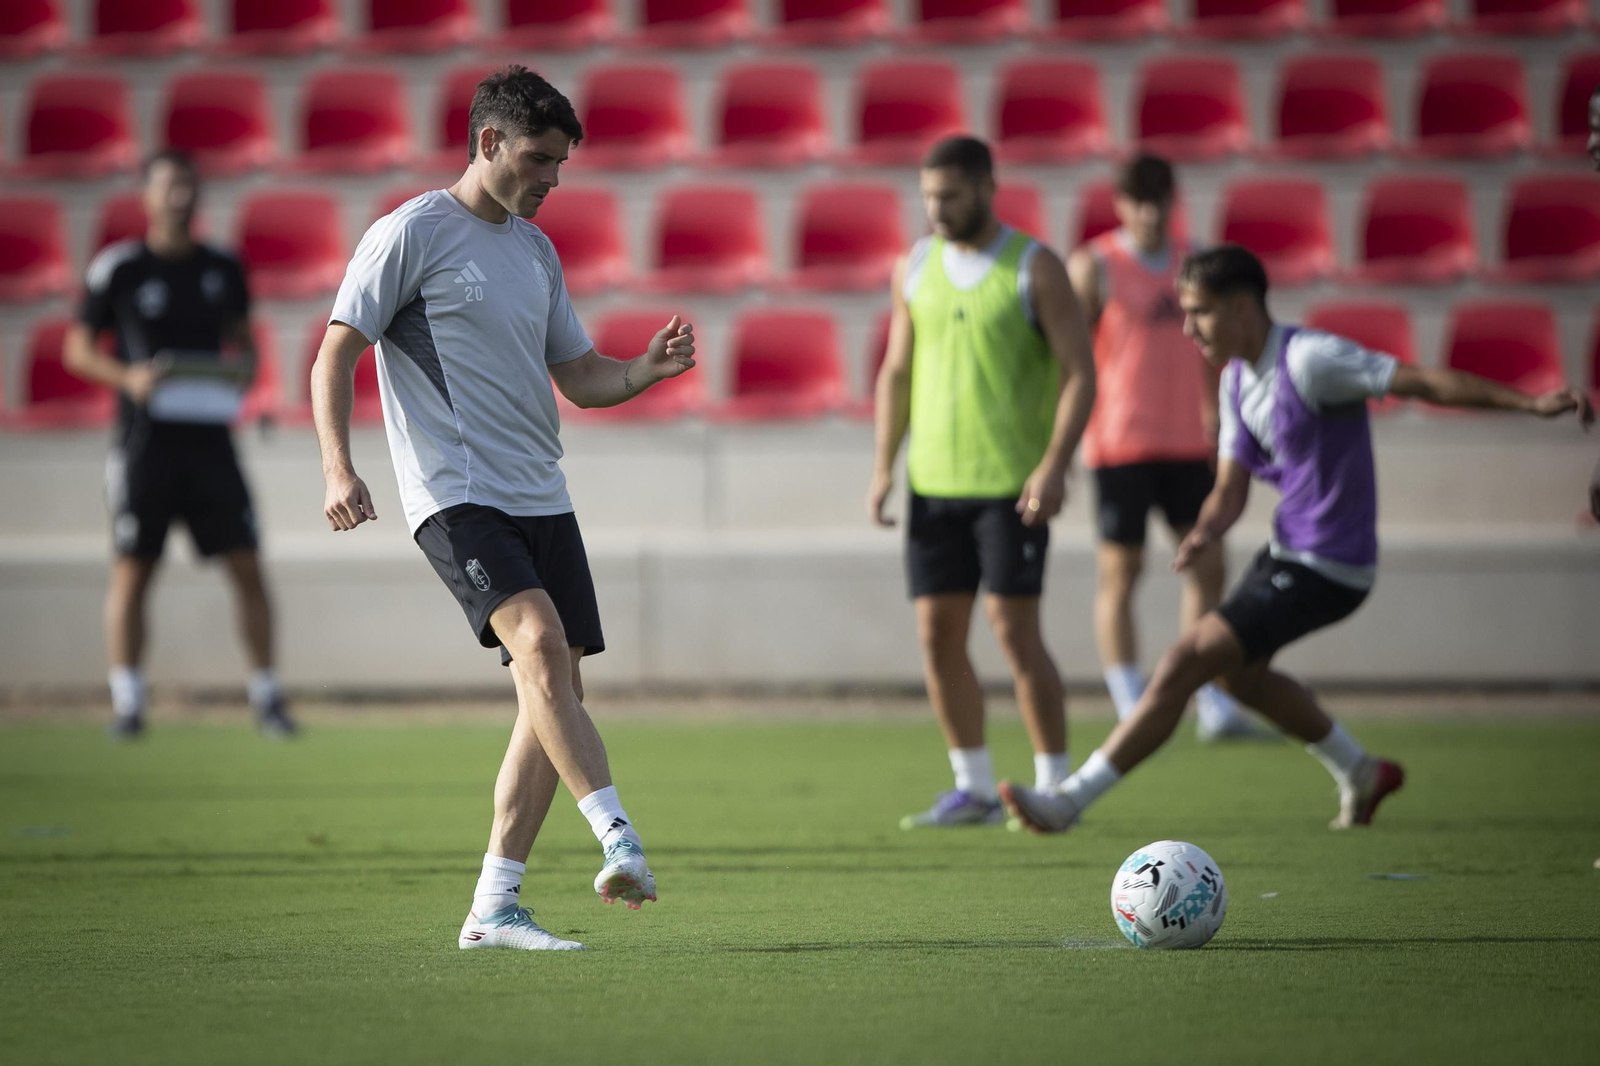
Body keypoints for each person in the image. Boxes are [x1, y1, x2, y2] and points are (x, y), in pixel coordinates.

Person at [1000, 245, 1593, 834]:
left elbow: (1421, 382)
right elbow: (1230, 489)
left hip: (1333, 563)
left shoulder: (1311, 359)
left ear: (1240, 308)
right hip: (1289, 554)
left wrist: (1530, 402)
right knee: (1239, 677)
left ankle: (1069, 800)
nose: (1186, 327)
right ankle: (1362, 771)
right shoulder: (1234, 380)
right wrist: (1206, 530)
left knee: (1186, 658)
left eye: (1199, 312)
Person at [313, 66, 694, 952]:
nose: (551, 180)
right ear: (488, 142)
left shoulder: (534, 250)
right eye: (537, 159)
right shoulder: (410, 234)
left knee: (551, 688)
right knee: (539, 647)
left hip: (541, 494)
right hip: (457, 493)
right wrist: (339, 469)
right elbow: (335, 356)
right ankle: (619, 837)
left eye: (560, 164)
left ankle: (494, 906)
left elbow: (580, 376)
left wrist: (642, 371)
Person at [867, 135, 1096, 829]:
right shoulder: (914, 265)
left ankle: (1056, 784)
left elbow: (1082, 373)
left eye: (951, 196)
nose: (936, 209)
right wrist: (884, 465)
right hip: (933, 483)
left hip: (1010, 484)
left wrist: (1055, 464)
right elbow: (898, 371)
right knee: (938, 635)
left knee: (1014, 631)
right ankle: (970, 785)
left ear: (987, 188)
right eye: (929, 196)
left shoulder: (1035, 268)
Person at [65, 149, 293, 740]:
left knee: (246, 564)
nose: (179, 197)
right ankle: (128, 702)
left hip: (211, 441)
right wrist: (129, 378)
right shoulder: (120, 268)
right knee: (134, 569)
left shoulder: (223, 266)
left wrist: (242, 371)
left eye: (188, 186)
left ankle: (267, 698)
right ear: (145, 196)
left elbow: (245, 347)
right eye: (168, 186)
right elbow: (78, 349)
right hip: (145, 444)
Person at [1067, 154, 1263, 741]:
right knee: (1121, 572)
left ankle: (1210, 701)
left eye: (1159, 200)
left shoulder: (1194, 265)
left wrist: (1219, 424)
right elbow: (1071, 361)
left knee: (1207, 566)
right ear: (1121, 204)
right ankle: (1132, 702)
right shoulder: (1096, 266)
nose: (1150, 213)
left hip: (1186, 442)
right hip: (1120, 442)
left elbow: (1215, 355)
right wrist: (1063, 441)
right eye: (1137, 201)